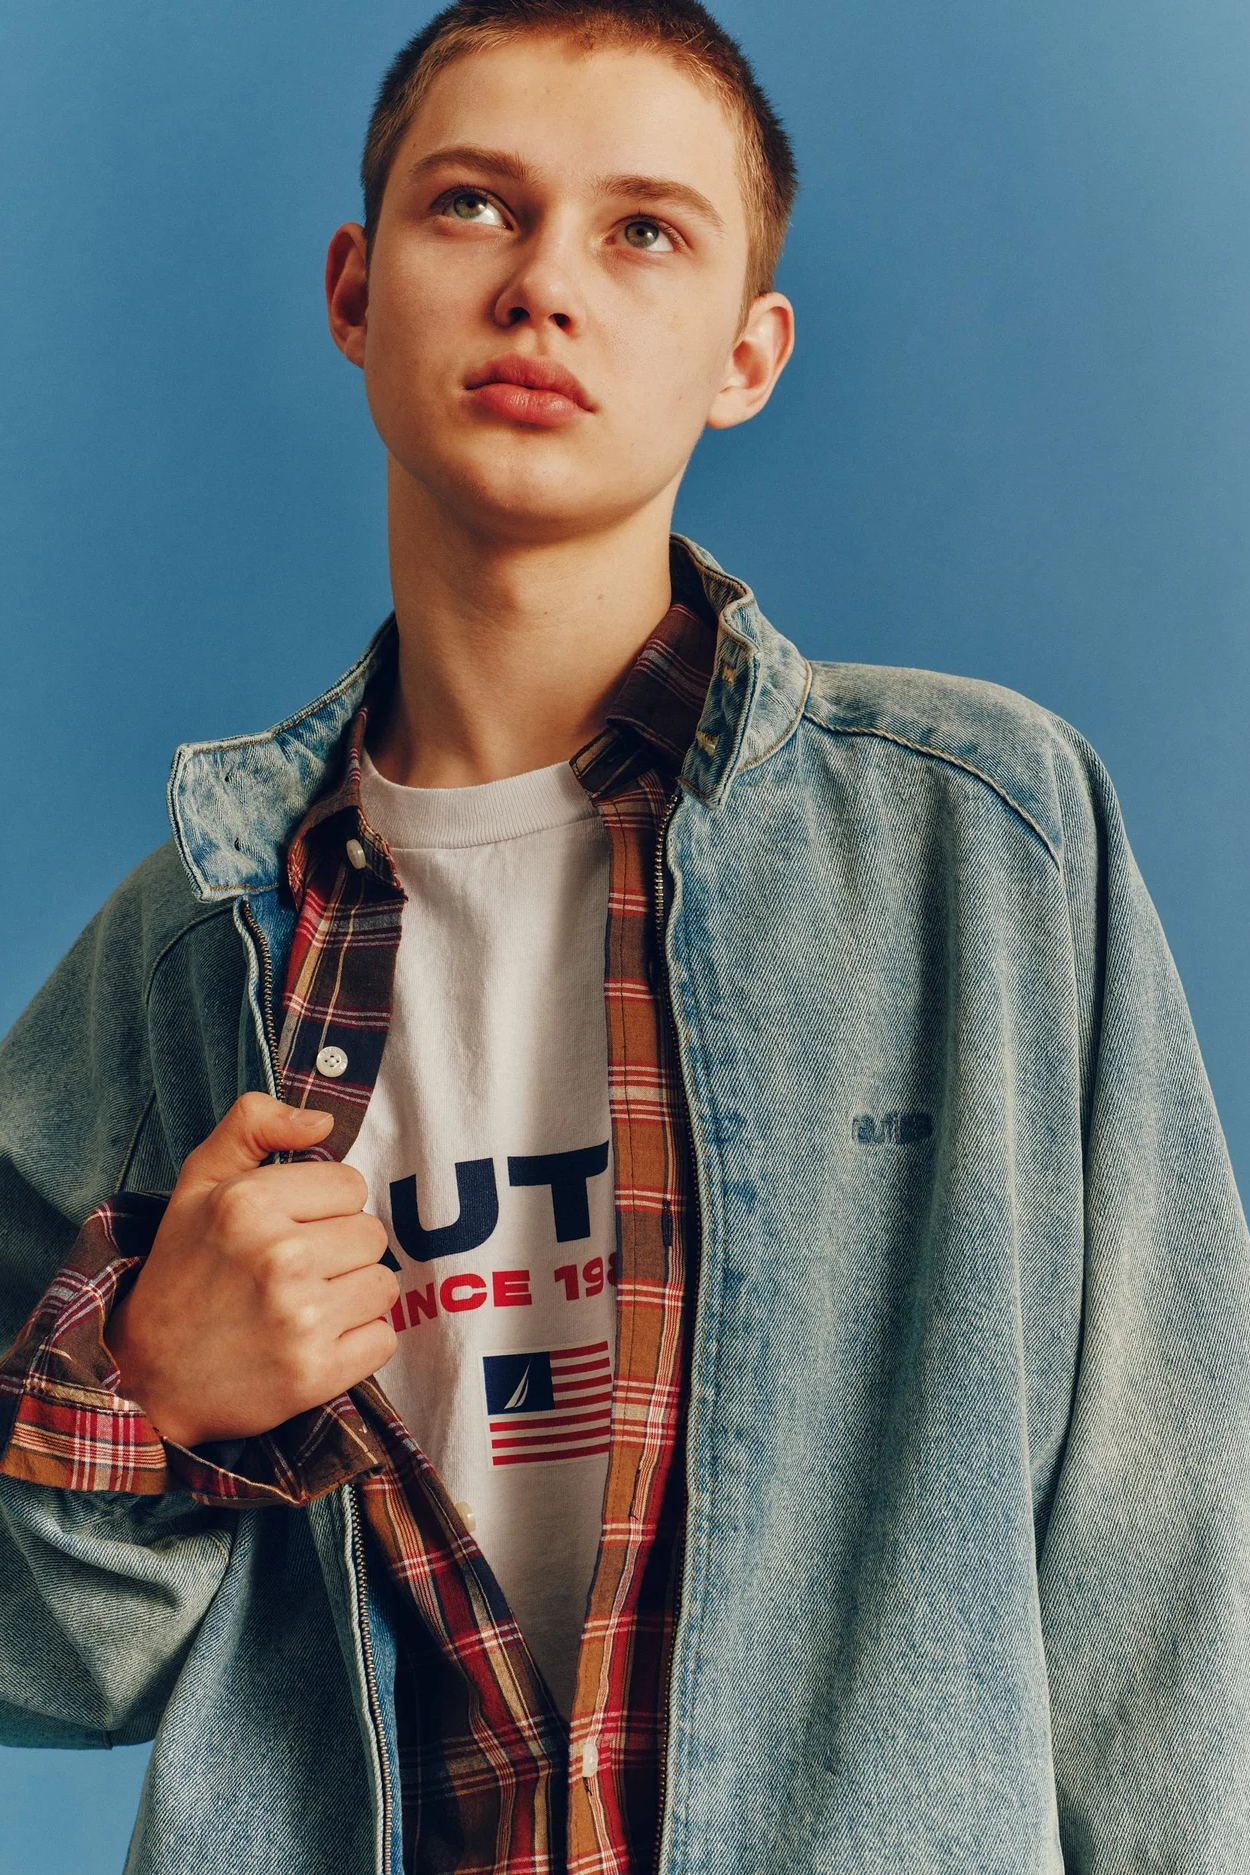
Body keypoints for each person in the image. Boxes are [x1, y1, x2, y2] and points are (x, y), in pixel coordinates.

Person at [1, 0, 1247, 1870]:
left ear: (747, 351)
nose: (542, 288)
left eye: (643, 229)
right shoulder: (189, 949)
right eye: (472, 206)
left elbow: (1174, 1571)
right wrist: (153, 1392)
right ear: (353, 289)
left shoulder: (982, 840)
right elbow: (37, 1659)